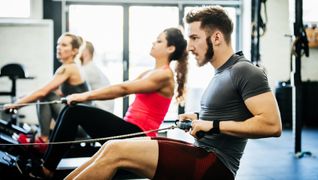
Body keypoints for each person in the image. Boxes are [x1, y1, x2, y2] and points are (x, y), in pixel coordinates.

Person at [65, 6, 282, 180]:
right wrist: (198, 119)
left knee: (116, 151)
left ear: (216, 37)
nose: (189, 47)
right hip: (203, 153)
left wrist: (212, 125)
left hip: (215, 166)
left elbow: (272, 125)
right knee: (111, 147)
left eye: (195, 38)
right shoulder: (221, 73)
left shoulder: (244, 70)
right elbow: (230, 115)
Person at [20, 27, 188, 178]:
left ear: (170, 48)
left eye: (159, 41)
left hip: (139, 135)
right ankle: (46, 163)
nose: (153, 42)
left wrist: (84, 96)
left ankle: (46, 169)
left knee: (75, 112)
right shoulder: (149, 72)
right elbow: (120, 89)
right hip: (130, 129)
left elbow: (123, 89)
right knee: (70, 110)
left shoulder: (164, 75)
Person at [4, 33, 91, 143]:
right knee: (47, 95)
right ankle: (42, 137)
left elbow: (43, 92)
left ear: (74, 51)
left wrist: (17, 105)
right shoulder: (74, 66)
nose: (59, 47)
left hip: (80, 126)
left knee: (46, 96)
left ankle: (43, 139)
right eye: (58, 44)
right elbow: (56, 91)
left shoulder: (68, 68)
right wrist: (24, 97)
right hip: (82, 124)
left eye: (64, 45)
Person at [79, 40, 114, 112]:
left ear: (85, 52)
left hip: (100, 109)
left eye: (79, 50)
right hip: (100, 107)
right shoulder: (90, 67)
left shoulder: (88, 69)